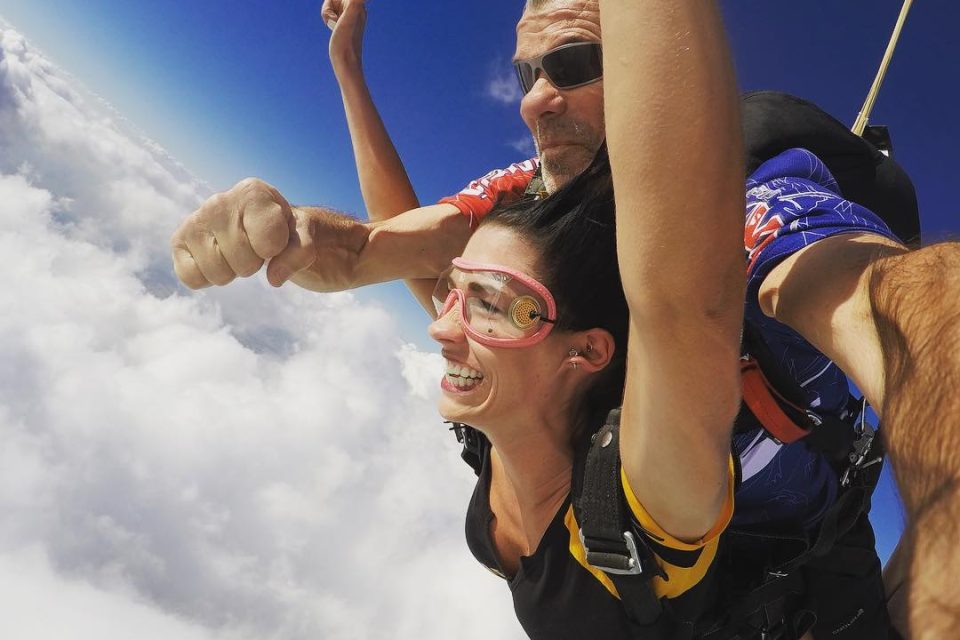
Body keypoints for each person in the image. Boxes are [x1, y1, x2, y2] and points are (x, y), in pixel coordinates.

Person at [169, 1, 960, 636]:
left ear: (654, 77)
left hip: (790, 595)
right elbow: (393, 246)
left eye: (574, 64)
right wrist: (328, 135)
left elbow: (896, 304)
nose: (535, 97)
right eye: (526, 70)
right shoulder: (540, 199)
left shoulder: (748, 216)